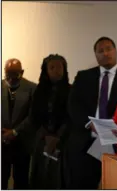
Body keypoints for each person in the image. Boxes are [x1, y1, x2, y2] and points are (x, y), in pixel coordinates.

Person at [64, 37, 117, 189]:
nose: (106, 53)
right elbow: (73, 105)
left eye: (109, 49)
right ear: (95, 55)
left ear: (115, 50)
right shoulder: (83, 76)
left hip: (115, 143)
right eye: (101, 51)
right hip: (85, 142)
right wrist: (88, 123)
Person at [29, 54, 71, 189]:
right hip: (42, 140)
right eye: (52, 67)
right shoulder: (39, 91)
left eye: (59, 67)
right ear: (45, 70)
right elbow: (33, 116)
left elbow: (71, 117)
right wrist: (46, 136)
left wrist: (58, 137)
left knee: (59, 179)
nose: (56, 70)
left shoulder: (71, 91)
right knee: (41, 177)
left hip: (63, 142)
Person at [1, 58, 36, 189]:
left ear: (22, 72)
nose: (10, 79)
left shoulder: (33, 88)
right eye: (7, 74)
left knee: (21, 181)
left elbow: (33, 116)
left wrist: (14, 132)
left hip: (23, 144)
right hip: (1, 143)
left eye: (15, 74)